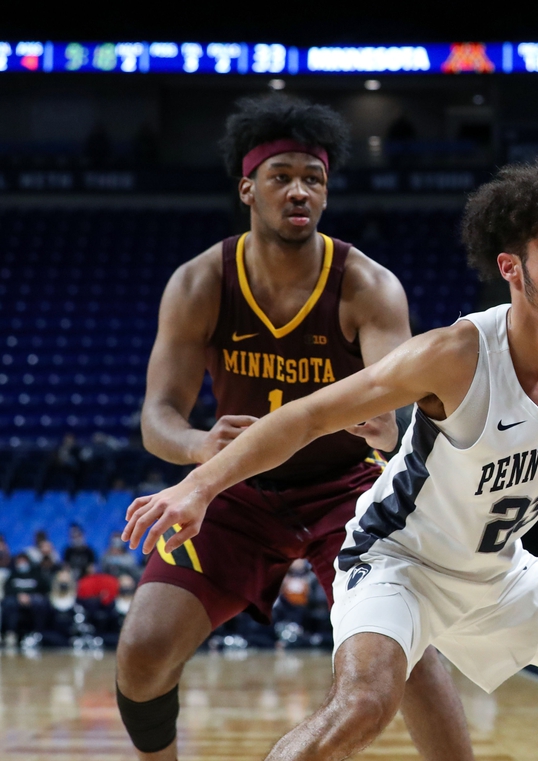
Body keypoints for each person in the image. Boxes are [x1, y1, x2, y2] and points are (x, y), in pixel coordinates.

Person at [122, 159, 538, 761]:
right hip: (396, 562)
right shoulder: (455, 353)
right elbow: (306, 417)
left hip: (497, 574)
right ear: (511, 268)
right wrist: (199, 485)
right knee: (362, 705)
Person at [113, 95, 473, 761]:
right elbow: (155, 418)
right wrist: (197, 444)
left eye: (313, 177)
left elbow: (406, 424)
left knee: (409, 652)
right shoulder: (201, 282)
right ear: (248, 187)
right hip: (236, 494)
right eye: (282, 176)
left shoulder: (368, 285)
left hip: (348, 494)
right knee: (141, 650)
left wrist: (387, 429)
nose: (299, 190)